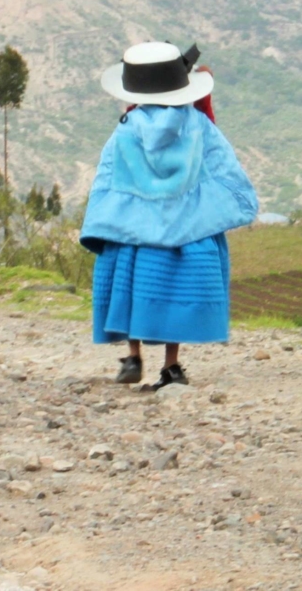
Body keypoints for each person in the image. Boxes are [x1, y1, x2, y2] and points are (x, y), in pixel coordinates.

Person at [81, 42, 258, 390]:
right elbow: (221, 170)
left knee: (132, 288)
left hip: (133, 233)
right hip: (186, 231)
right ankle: (172, 367)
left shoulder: (126, 129)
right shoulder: (199, 126)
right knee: (174, 291)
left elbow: (107, 179)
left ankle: (132, 358)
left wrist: (103, 219)